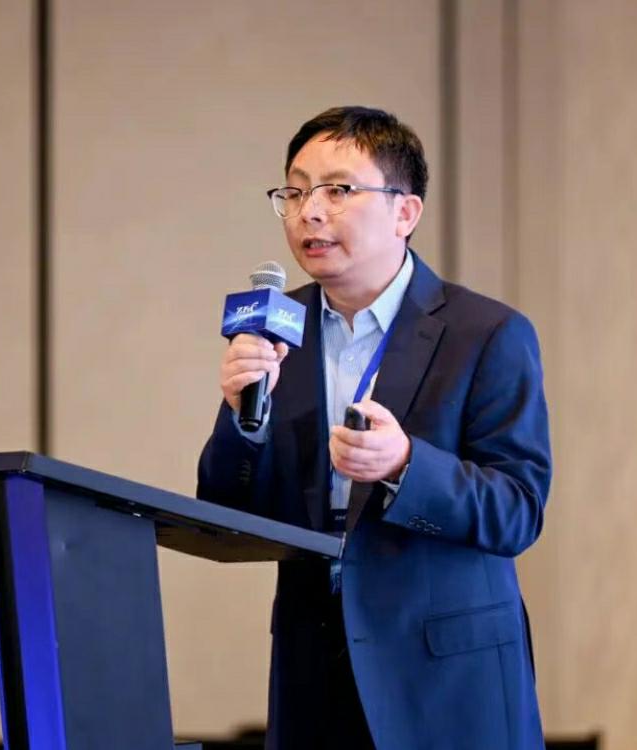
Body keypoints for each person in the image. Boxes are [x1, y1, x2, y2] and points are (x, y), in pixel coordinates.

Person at [198, 106, 551, 750]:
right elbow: (226, 509)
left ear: (404, 212)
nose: (309, 212)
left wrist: (406, 466)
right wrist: (243, 420)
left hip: (447, 677)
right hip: (315, 672)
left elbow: (518, 511)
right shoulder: (277, 328)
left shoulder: (487, 334)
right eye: (294, 192)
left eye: (337, 190)